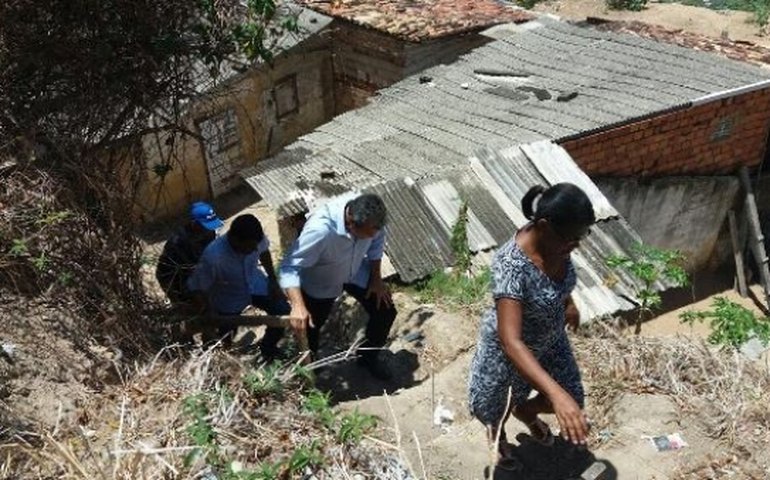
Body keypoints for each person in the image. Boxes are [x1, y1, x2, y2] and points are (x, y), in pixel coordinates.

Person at [467, 183, 595, 471]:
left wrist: (568, 302)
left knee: (573, 396)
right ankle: (497, 437)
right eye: (572, 239)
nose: (576, 245)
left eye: (581, 237)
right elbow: (511, 340)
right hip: (511, 350)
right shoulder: (511, 266)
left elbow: (557, 280)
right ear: (544, 227)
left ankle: (525, 411)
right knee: (492, 407)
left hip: (550, 339)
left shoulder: (560, 241)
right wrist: (555, 394)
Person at [277, 193, 396, 380]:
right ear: (351, 225)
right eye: (369, 233)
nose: (374, 235)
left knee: (385, 310)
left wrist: (376, 280)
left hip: (355, 270)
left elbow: (376, 244)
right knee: (311, 325)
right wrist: (297, 305)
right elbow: (289, 266)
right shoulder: (320, 231)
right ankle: (310, 368)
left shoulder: (371, 219)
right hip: (322, 278)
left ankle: (367, 358)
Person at [187, 214, 289, 355]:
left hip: (255, 283)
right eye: (249, 248)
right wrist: (208, 312)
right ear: (235, 240)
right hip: (228, 297)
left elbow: (264, 252)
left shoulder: (254, 238)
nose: (254, 250)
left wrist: (272, 280)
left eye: (255, 247)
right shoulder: (213, 256)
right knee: (225, 337)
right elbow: (197, 287)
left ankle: (268, 347)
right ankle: (224, 357)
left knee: (282, 309)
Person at [155, 201, 223, 305]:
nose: (210, 229)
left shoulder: (209, 234)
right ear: (194, 223)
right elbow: (166, 275)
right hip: (179, 283)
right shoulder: (178, 244)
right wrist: (180, 300)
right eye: (206, 226)